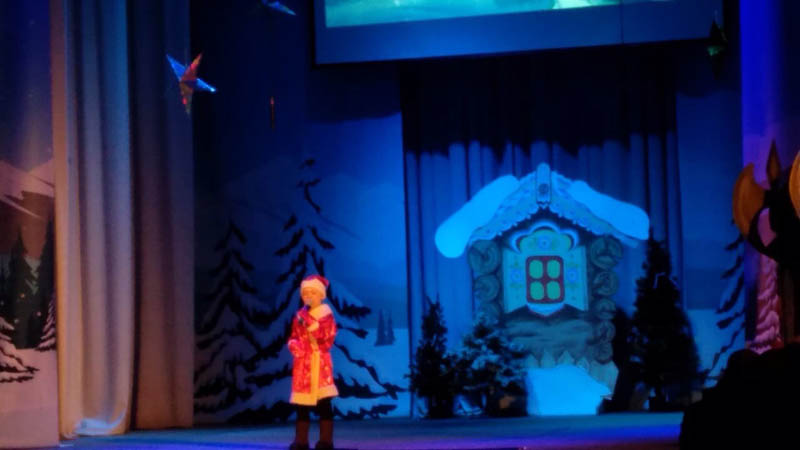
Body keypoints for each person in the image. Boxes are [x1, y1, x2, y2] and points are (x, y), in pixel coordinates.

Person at [288, 274, 338, 450]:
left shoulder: (326, 315)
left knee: (324, 403)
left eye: (312, 292)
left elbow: (327, 338)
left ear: (321, 295)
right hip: (303, 366)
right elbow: (294, 336)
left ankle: (326, 440)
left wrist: (309, 322)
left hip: (320, 365)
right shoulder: (299, 316)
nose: (308, 296)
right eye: (305, 293)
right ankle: (301, 441)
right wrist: (294, 345)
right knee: (302, 405)